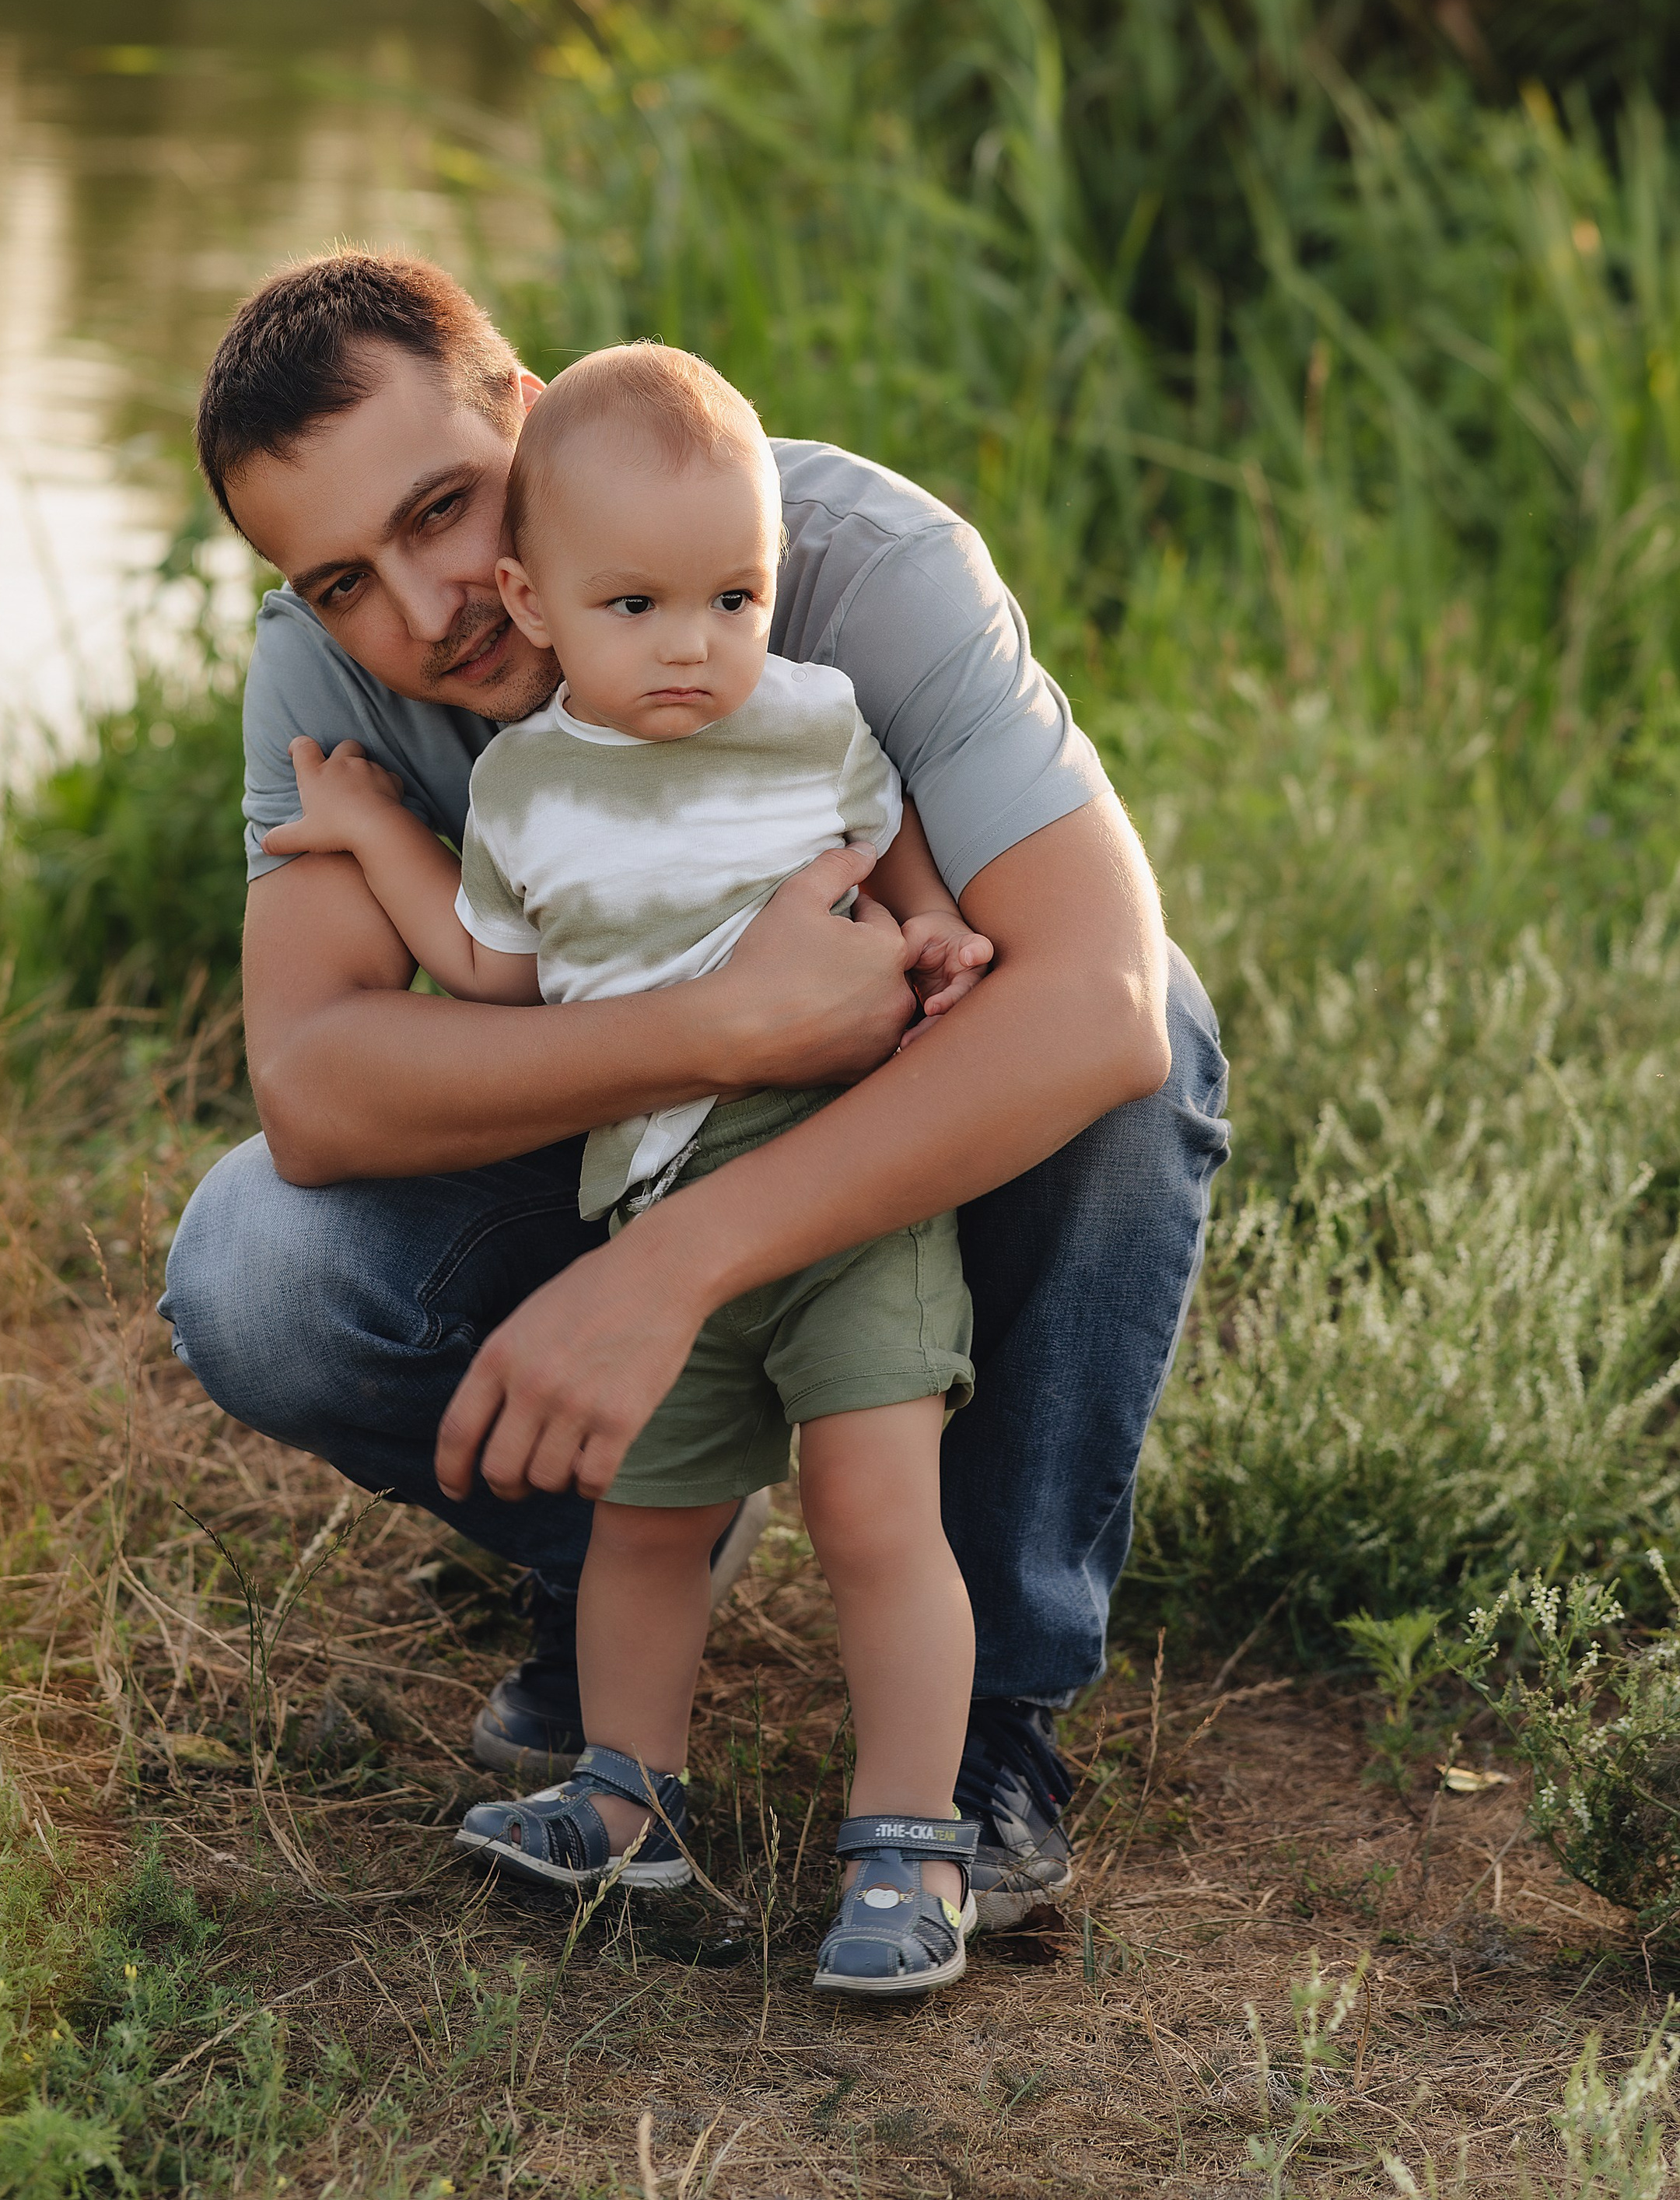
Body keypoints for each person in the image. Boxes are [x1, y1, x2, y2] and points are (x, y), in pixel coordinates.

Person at [159, 248, 1231, 1930]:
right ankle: (623, 1566)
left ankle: (993, 1726)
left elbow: (1096, 1005)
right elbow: (316, 1087)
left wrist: (669, 1269)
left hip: (876, 1116)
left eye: (446, 505)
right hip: (619, 1140)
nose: (425, 604)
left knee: (1137, 1045)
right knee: (255, 1262)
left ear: (522, 403)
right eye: (345, 576)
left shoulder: (848, 561)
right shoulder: (323, 672)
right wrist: (720, 1029)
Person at [263, 342, 995, 1992]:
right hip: (649, 1188)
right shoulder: (524, 783)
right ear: (533, 601)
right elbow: (493, 973)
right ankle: (624, 1793)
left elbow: (891, 839)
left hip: (841, 1182)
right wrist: (378, 832)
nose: (693, 648)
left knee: (871, 1505)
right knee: (648, 1519)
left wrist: (939, 924)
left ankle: (909, 1836)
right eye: (638, 609)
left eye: (732, 598)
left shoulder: (807, 715)